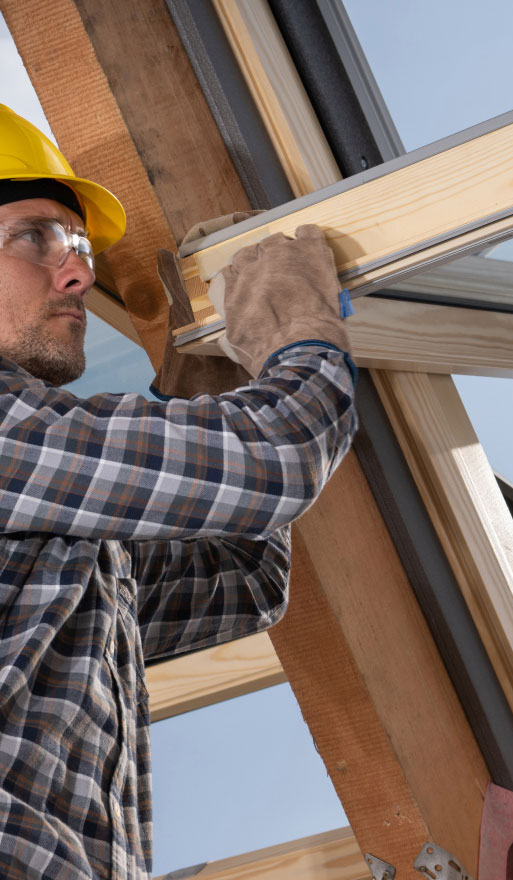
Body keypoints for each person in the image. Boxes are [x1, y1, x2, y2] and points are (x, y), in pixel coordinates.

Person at [0, 104, 357, 879]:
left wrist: (216, 378)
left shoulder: (53, 543)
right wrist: (302, 330)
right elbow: (279, 460)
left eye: (81, 247)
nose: (80, 273)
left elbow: (243, 577)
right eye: (34, 237)